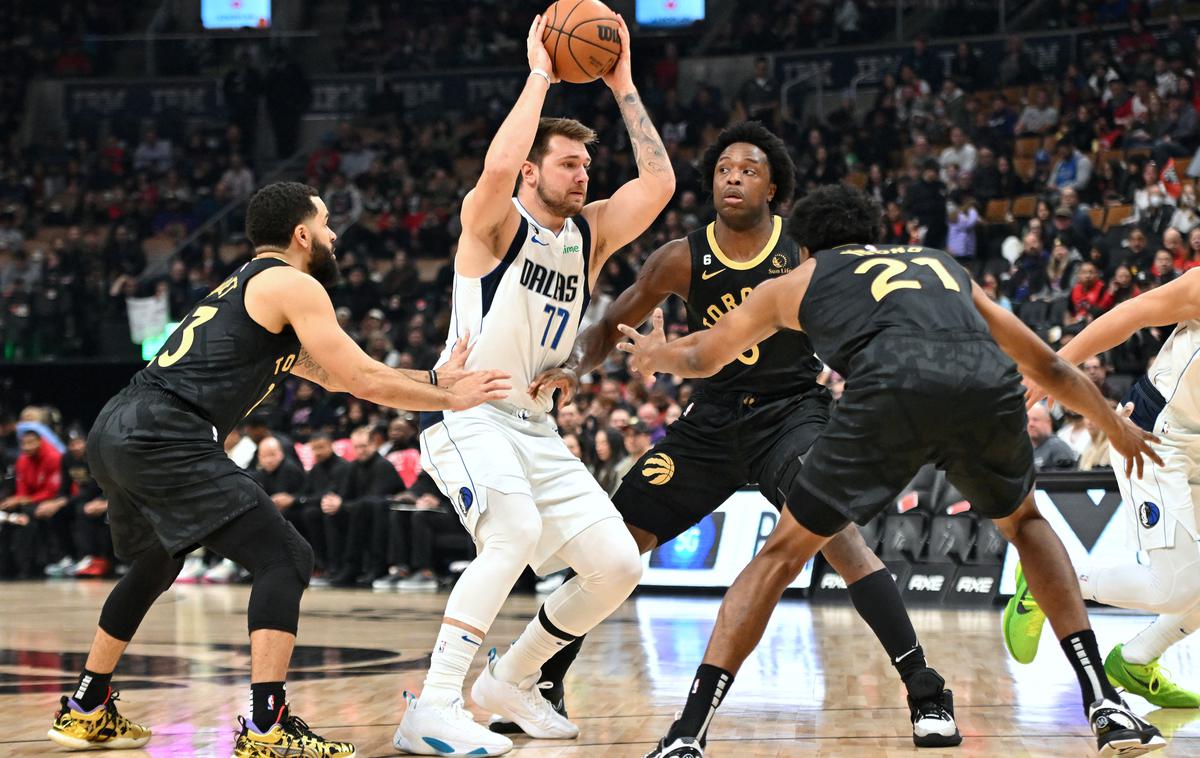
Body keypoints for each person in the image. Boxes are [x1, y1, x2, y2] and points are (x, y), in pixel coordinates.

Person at [616, 185, 1166, 758]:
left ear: (805, 245)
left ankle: (688, 732)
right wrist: (1112, 423)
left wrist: (657, 355)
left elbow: (706, 356)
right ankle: (1104, 703)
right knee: (1026, 524)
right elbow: (1047, 363)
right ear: (873, 233)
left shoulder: (796, 280)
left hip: (888, 392)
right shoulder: (940, 265)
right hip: (982, 385)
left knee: (781, 555)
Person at [522, 121, 961, 748]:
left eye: (749, 169)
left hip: (792, 412)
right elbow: (612, 326)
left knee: (839, 539)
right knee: (610, 545)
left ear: (773, 186)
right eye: (725, 167)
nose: (733, 176)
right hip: (713, 419)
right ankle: (543, 680)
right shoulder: (679, 258)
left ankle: (926, 689)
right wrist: (573, 366)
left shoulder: (805, 252)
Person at [46, 181, 509, 756]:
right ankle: (266, 726)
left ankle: (87, 706)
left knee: (155, 563)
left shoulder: (251, 287)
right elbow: (364, 378)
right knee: (287, 557)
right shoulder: (292, 283)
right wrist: (450, 398)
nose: (334, 234)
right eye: (326, 223)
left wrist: (438, 380)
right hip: (168, 431)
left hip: (119, 426)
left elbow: (340, 375)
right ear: (300, 234)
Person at [393, 14, 675, 757]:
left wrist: (622, 84)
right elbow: (492, 172)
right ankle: (434, 703)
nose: (583, 175)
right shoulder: (493, 223)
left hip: (536, 424)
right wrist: (541, 74)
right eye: (567, 164)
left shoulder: (590, 233)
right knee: (511, 535)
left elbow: (660, 183)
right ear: (532, 170)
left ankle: (508, 681)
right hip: (471, 410)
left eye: (587, 164)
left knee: (617, 566)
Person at [1021, 267, 1200, 709]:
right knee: (1174, 587)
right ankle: (1046, 580)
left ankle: (1136, 660)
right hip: (1156, 435)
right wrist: (1054, 370)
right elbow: (1132, 313)